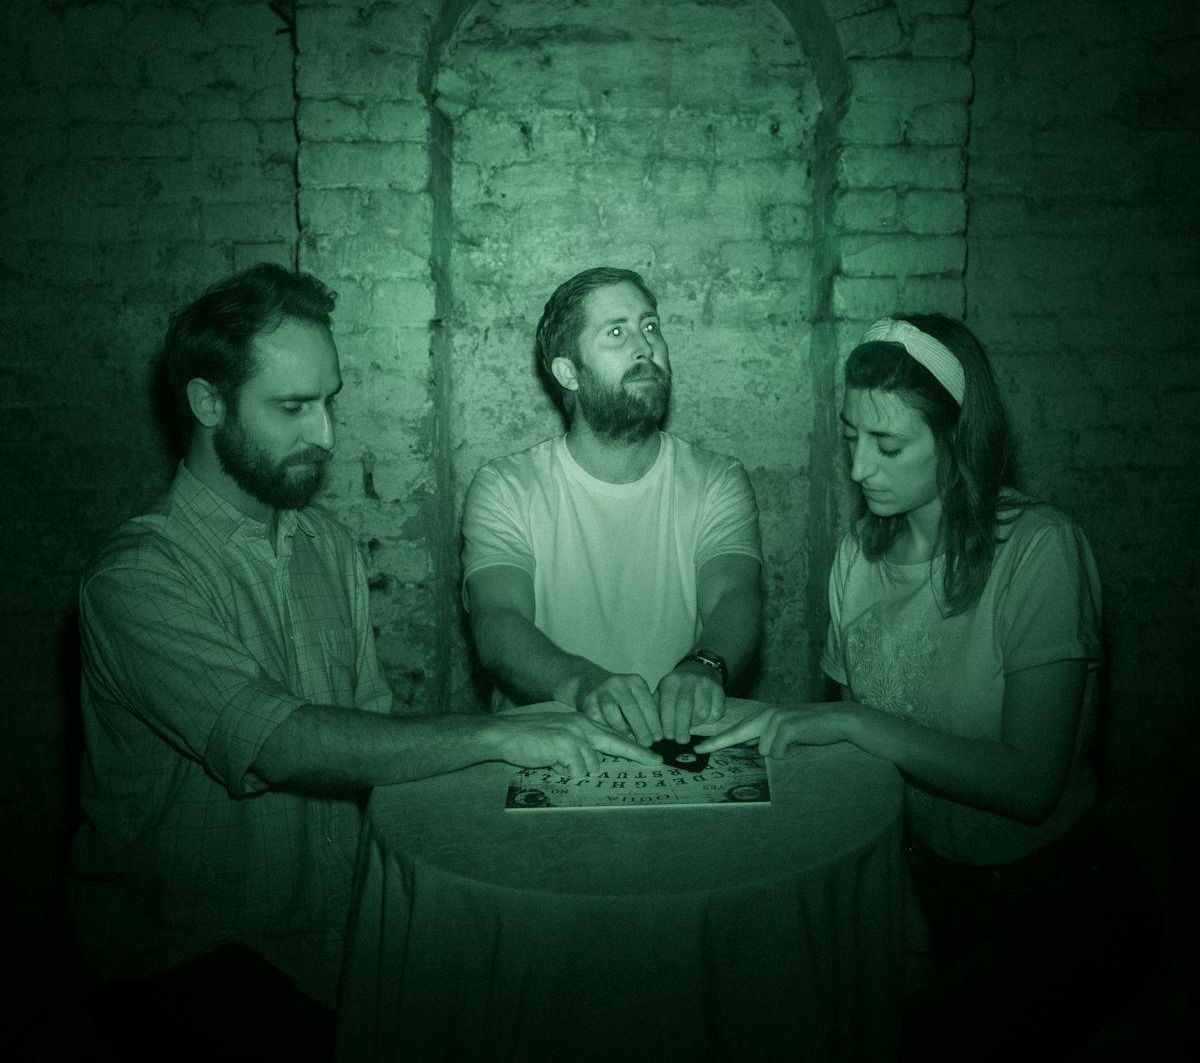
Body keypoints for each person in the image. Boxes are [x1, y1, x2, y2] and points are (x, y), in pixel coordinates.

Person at [68, 264, 657, 1061]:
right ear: (208, 404)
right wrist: (498, 739)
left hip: (329, 940)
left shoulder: (328, 546)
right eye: (292, 408)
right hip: (193, 957)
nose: (326, 436)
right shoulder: (137, 579)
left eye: (329, 401)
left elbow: (372, 742)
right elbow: (279, 742)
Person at [698, 314, 1155, 1058]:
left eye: (888, 445)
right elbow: (861, 774)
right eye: (851, 437)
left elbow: (1032, 781)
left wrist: (855, 725)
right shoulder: (859, 554)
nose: (858, 469)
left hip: (1057, 894)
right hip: (924, 883)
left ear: (957, 438)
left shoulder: (1040, 550)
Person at [462, 267, 763, 749]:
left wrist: (705, 665)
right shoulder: (506, 487)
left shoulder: (715, 479)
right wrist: (582, 683)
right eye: (616, 332)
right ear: (567, 371)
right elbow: (497, 621)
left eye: (649, 326)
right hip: (547, 749)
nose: (645, 346)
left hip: (682, 741)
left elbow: (734, 596)